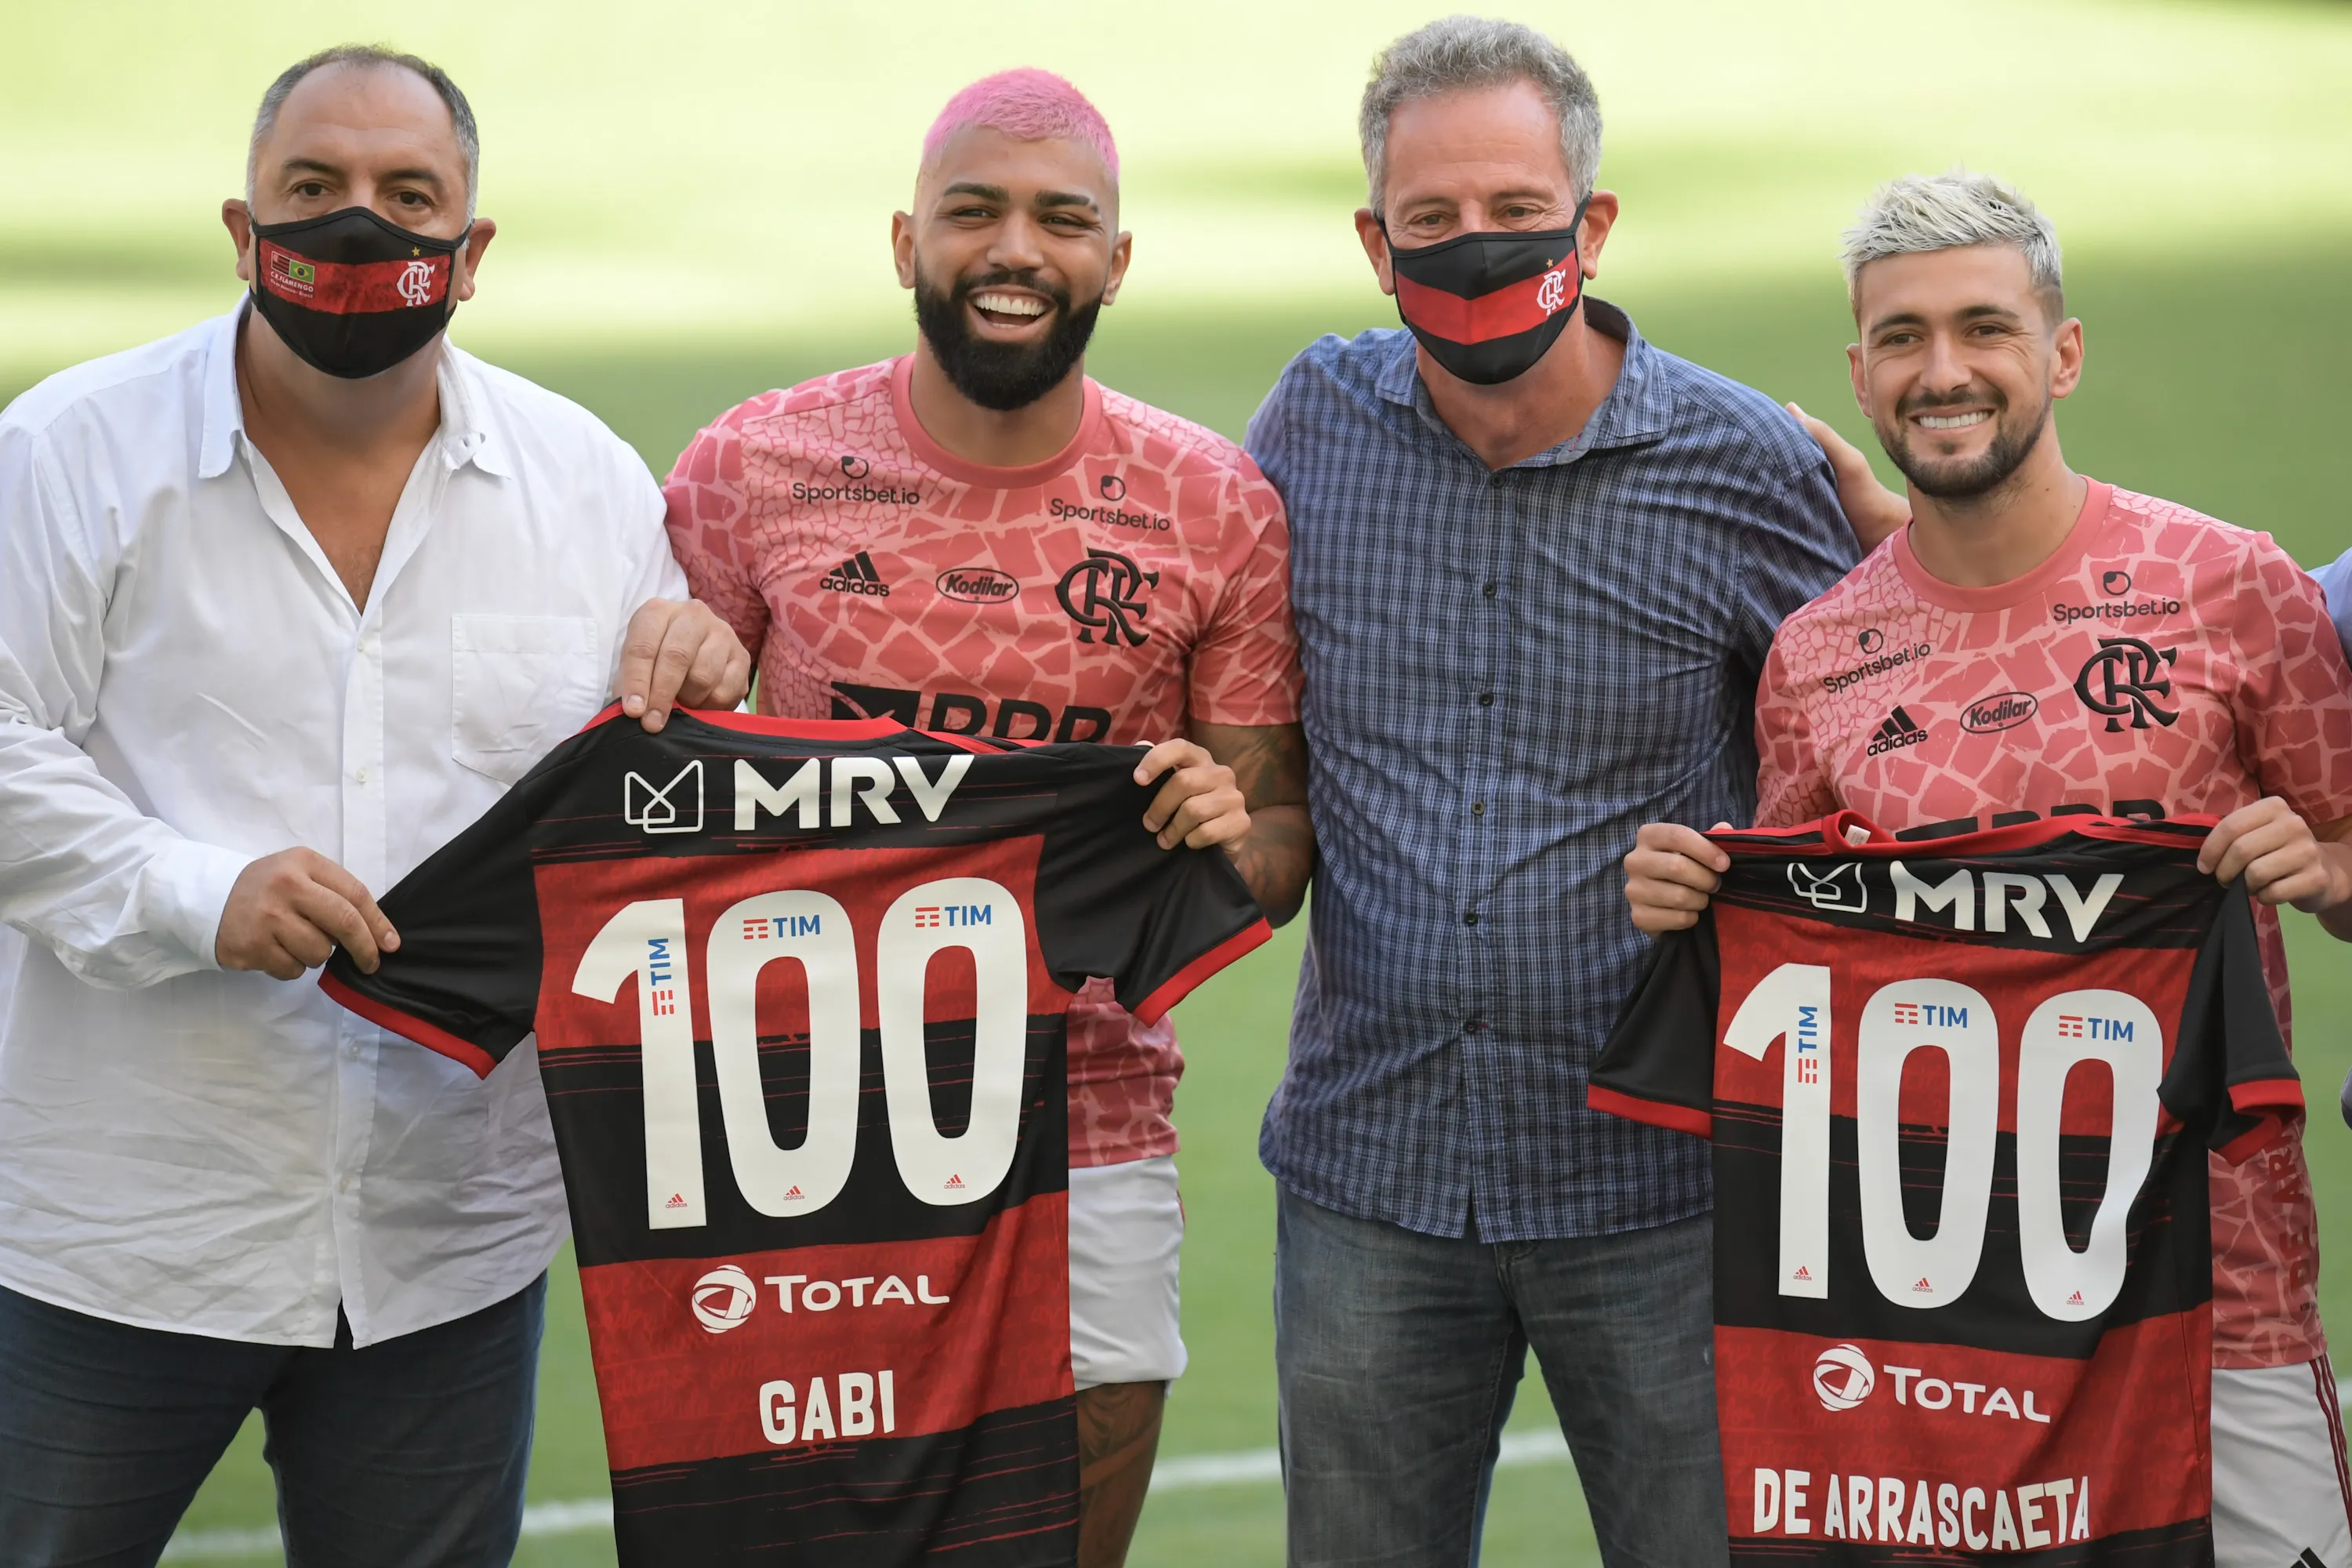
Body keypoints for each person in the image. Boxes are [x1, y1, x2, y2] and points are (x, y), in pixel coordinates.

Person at [0, 46, 750, 1562]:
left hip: (443, 1246)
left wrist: (706, 663)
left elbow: (649, 791)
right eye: (315, 191)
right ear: (241, 228)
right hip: (119, 1231)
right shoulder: (68, 454)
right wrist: (194, 891)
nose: (361, 227)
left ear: (470, 254)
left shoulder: (588, 487)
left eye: (409, 198)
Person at [1624, 169, 2352, 1568]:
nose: (1941, 371)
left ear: (2061, 352)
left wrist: (2316, 861)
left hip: (2223, 1303)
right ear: (1859, 369)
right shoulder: (1817, 658)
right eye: (1901, 339)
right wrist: (1698, 909)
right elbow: (1807, 977)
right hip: (1938, 1335)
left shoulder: (2235, 588)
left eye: (1983, 328)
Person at [1239, 18, 1895, 1565]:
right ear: (1372, 240)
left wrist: (1887, 548)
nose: (1477, 249)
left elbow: (1905, 729)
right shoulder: (1308, 428)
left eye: (1517, 214)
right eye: (1432, 222)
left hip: (1662, 1189)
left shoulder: (1738, 460)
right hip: (1369, 1178)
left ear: (1591, 223)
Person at [661, 69, 1311, 1566]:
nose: (1016, 248)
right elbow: (641, 787)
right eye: (975, 211)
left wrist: (1229, 831)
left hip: (1084, 1121)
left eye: (1062, 218)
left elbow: (1275, 856)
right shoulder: (751, 467)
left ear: (1117, 260)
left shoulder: (1215, 508)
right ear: (906, 241)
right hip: (790, 1122)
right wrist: (673, 660)